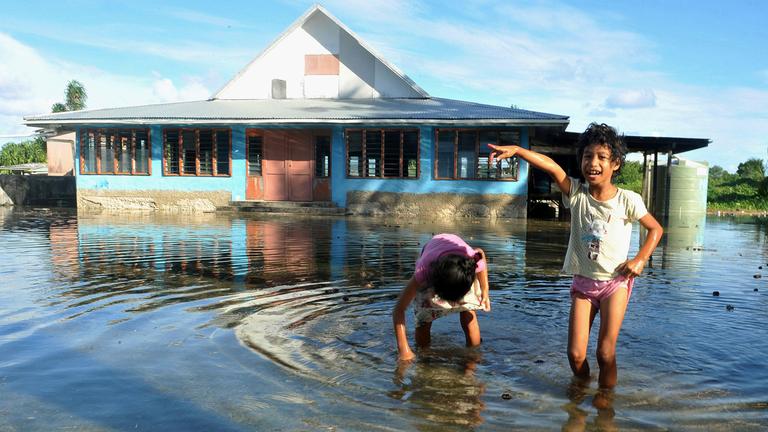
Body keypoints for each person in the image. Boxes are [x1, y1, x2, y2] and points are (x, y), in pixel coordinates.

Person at [489, 122, 663, 389]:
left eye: (602, 157)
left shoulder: (628, 199)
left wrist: (640, 259)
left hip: (615, 283)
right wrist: (518, 151)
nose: (593, 162)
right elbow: (551, 167)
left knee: (605, 353)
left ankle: (605, 403)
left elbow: (655, 229)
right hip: (583, 283)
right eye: (587, 156)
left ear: (615, 164)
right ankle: (581, 391)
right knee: (575, 354)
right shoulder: (577, 193)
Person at [392, 234, 490, 361]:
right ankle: (424, 357)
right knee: (423, 319)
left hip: (458, 270)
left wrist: (485, 292)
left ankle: (473, 355)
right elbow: (399, 309)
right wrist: (404, 350)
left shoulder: (470, 260)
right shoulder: (423, 271)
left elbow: (480, 254)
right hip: (435, 270)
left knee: (468, 312)